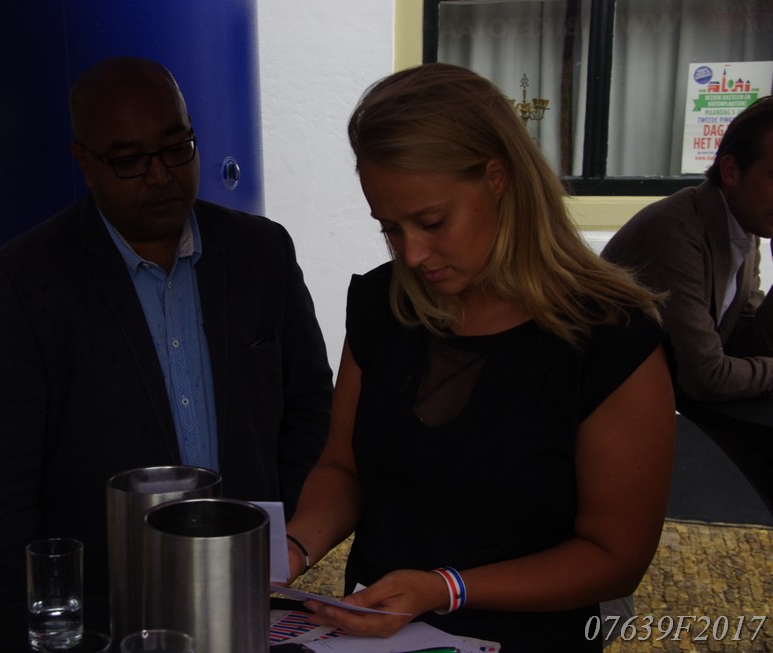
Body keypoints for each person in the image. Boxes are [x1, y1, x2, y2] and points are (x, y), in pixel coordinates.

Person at [282, 63, 675, 652]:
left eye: (432, 222)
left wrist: (445, 588)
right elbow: (343, 469)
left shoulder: (611, 338)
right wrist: (290, 551)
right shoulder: (383, 305)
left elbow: (614, 558)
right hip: (371, 634)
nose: (412, 254)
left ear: (498, 177)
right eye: (390, 228)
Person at [0, 57, 332, 613]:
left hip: (246, 587)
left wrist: (277, 542)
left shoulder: (261, 254)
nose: (160, 176)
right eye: (128, 160)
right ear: (85, 163)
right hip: (106, 606)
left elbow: (310, 409)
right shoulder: (22, 286)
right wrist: (16, 624)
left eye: (176, 148)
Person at [601, 95, 773, 515]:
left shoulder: (743, 227)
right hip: (597, 428)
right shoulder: (675, 231)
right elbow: (707, 376)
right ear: (731, 171)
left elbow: (746, 343)